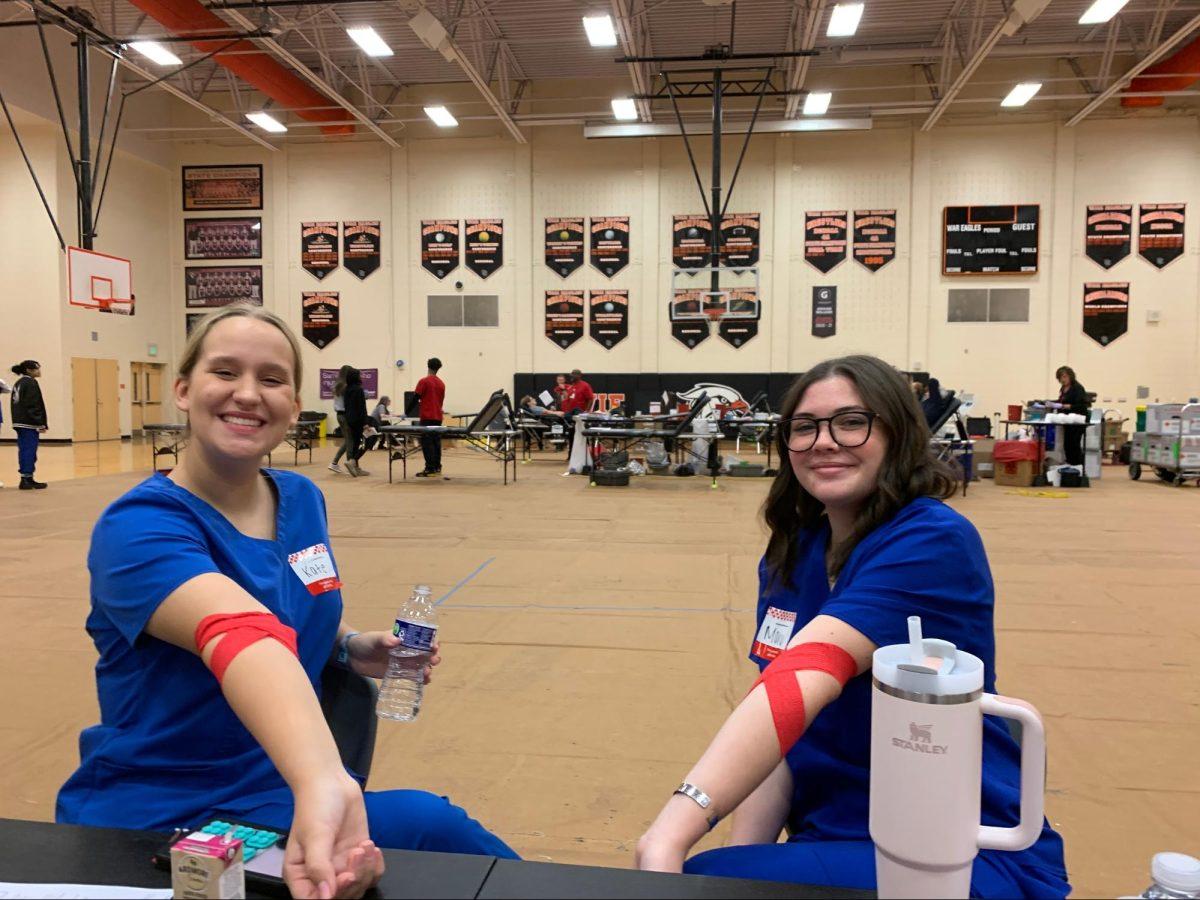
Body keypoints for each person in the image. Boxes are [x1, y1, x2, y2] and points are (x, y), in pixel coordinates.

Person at [56, 305, 516, 900]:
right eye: (225, 372)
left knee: (439, 830)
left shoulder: (300, 499)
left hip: (278, 786)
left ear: (295, 407)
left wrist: (349, 646)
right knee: (427, 826)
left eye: (272, 379)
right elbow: (240, 630)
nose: (248, 394)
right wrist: (323, 780)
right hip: (169, 810)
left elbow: (293, 604)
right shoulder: (139, 528)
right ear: (183, 390)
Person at [635, 354, 1069, 899]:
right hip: (836, 841)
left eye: (851, 421)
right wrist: (744, 859)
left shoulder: (931, 541)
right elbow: (779, 726)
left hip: (956, 854)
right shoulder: (794, 552)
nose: (824, 441)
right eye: (804, 426)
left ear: (897, 433)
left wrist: (672, 832)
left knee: (694, 881)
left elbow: (806, 671)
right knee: (719, 877)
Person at [10, 360, 49, 490]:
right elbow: (33, 404)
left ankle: (28, 477)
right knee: (29, 450)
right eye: (37, 369)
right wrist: (40, 422)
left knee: (26, 449)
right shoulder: (30, 383)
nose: (39, 371)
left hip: (20, 421)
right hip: (28, 422)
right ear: (28, 370)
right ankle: (26, 478)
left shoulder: (19, 383)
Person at [414, 358, 445, 478]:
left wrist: (406, 413)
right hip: (438, 417)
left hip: (427, 416)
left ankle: (430, 468)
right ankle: (437, 467)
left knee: (427, 443)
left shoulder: (424, 381)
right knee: (436, 442)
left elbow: (415, 398)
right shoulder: (442, 383)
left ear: (428, 366)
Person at [1055, 366, 1089, 467]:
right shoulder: (1063, 388)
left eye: (1065, 377)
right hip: (1067, 420)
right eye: (1060, 378)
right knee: (1067, 445)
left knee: (1074, 445)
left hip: (1077, 421)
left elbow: (1082, 406)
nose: (1063, 380)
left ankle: (1078, 467)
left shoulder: (1078, 388)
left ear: (1070, 376)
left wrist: (1067, 406)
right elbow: (1061, 401)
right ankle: (1070, 465)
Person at [342, 369, 370, 478]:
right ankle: (353, 461)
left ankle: (355, 467)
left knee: (355, 442)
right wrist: (365, 422)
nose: (361, 377)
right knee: (367, 441)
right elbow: (362, 408)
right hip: (358, 420)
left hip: (349, 419)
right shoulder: (359, 390)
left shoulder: (346, 390)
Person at [329, 365, 355, 474]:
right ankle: (349, 463)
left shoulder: (336, 385)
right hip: (345, 414)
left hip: (339, 414)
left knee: (348, 440)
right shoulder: (346, 386)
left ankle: (334, 463)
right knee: (350, 441)